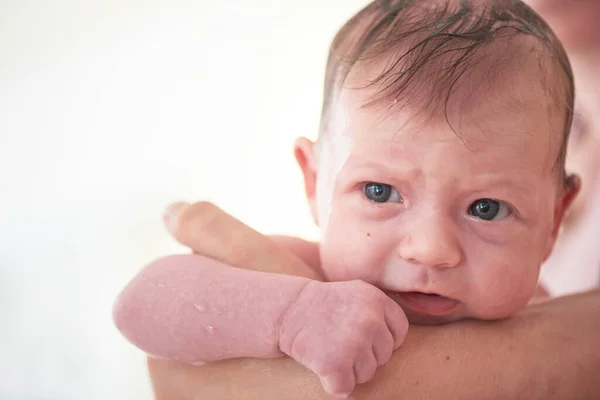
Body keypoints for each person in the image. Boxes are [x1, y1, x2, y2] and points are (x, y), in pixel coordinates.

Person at [113, 0, 589, 397]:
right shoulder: (303, 278)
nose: (430, 249)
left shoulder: (543, 320)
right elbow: (139, 303)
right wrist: (289, 314)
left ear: (553, 219)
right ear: (314, 182)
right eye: (380, 192)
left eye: (486, 209)